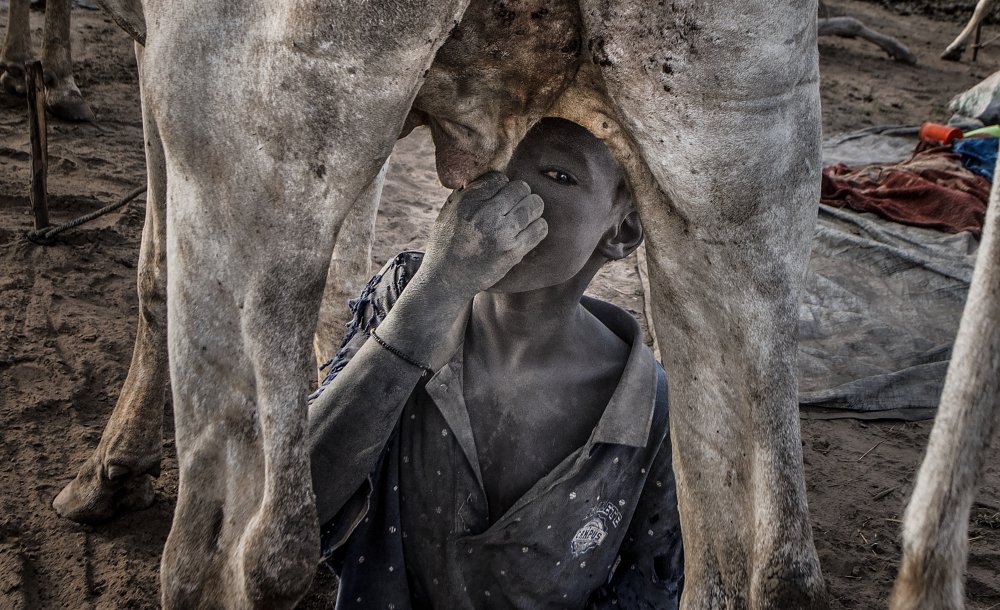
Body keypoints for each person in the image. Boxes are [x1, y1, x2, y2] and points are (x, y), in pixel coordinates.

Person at [308, 117, 683, 609]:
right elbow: (299, 505)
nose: (501, 192)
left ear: (623, 229)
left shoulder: (649, 411)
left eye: (557, 174)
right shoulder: (405, 295)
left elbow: (650, 589)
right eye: (491, 159)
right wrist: (437, 289)